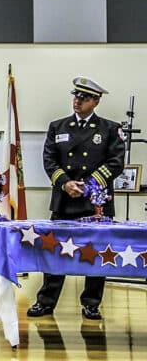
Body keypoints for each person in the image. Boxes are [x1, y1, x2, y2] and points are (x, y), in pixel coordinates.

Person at [27, 76, 125, 320]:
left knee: (97, 253)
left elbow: (116, 163)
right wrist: (65, 183)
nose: (77, 101)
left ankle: (91, 303)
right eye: (76, 96)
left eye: (84, 97)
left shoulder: (109, 129)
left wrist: (89, 185)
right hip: (64, 200)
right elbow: (49, 160)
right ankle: (46, 301)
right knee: (55, 251)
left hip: (95, 202)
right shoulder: (57, 127)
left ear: (96, 101)